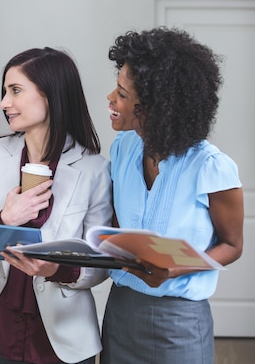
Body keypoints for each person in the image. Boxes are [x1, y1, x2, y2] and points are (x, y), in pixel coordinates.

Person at [0, 47, 113, 364]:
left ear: (51, 95)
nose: (4, 103)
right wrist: (5, 219)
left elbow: (100, 266)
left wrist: (57, 269)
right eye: (5, 91)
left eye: (15, 91)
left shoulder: (94, 169)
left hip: (64, 336)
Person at [102, 27, 244, 364]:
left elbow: (232, 246)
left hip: (178, 321)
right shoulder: (122, 149)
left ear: (155, 106)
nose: (110, 98)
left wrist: (175, 269)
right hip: (121, 311)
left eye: (122, 93)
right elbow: (119, 232)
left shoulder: (211, 167)